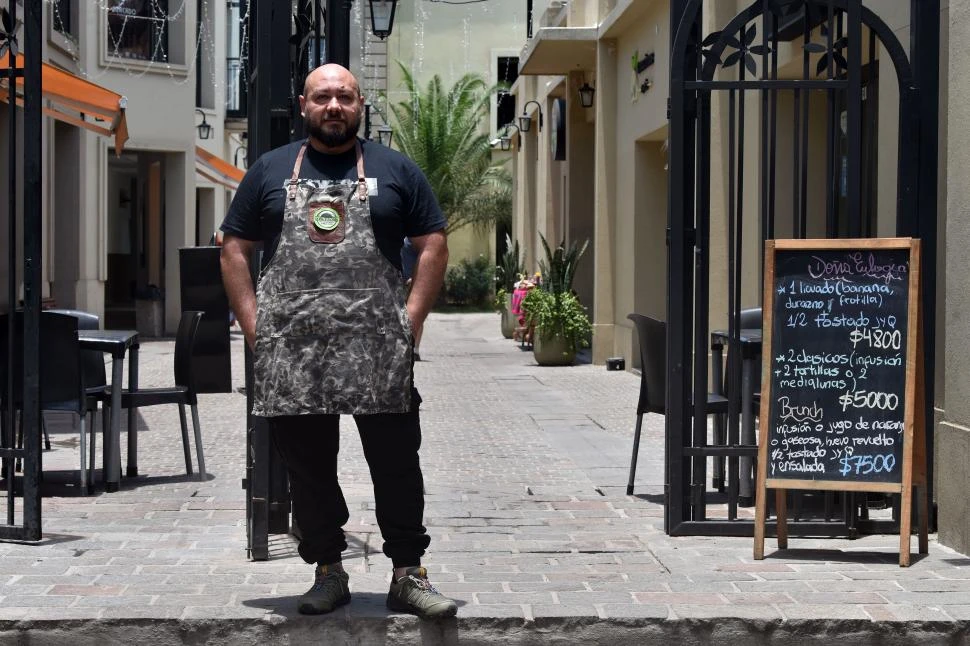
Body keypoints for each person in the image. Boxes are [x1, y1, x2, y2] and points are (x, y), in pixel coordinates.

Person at [219, 63, 455, 619]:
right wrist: (256, 329)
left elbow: (433, 242)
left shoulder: (396, 170)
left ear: (360, 105)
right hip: (295, 356)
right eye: (322, 97)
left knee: (397, 463)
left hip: (378, 352)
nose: (333, 107)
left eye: (344, 97)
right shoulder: (270, 170)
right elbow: (233, 248)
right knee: (309, 469)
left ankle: (408, 573)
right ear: (303, 104)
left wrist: (411, 320)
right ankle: (327, 570)